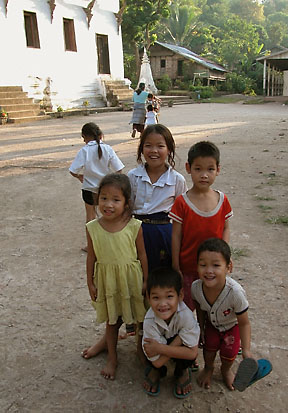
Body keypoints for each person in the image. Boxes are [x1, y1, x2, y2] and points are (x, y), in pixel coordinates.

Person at [81, 173, 148, 380]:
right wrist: (90, 282)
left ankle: (140, 350)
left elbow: (142, 254)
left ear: (126, 203)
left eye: (116, 200)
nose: (108, 204)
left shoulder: (134, 226)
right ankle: (112, 357)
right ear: (97, 199)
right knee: (112, 321)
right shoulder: (92, 228)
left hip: (131, 281)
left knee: (139, 319)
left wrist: (146, 280)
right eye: (104, 198)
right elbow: (91, 257)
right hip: (107, 282)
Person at [169, 141, 233, 311]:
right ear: (188, 168)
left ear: (218, 170)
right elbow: (175, 235)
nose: (204, 175)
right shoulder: (182, 202)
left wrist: (226, 255)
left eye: (210, 169)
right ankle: (191, 338)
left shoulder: (222, 200)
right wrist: (176, 265)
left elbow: (226, 228)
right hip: (189, 268)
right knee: (188, 309)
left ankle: (209, 337)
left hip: (214, 268)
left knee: (213, 307)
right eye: (198, 169)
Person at [192, 238, 253, 390]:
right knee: (208, 350)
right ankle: (208, 368)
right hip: (211, 325)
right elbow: (199, 307)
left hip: (231, 327)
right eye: (203, 265)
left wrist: (246, 349)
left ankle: (226, 371)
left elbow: (244, 323)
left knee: (229, 354)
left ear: (229, 267)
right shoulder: (196, 288)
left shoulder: (235, 293)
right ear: (197, 267)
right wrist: (201, 327)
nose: (209, 270)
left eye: (216, 265)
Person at [127, 124, 187, 273]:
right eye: (148, 145)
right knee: (137, 275)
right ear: (141, 149)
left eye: (160, 146)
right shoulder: (133, 176)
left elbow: (183, 216)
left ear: (169, 149)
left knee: (162, 277)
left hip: (164, 235)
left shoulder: (177, 180)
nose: (154, 151)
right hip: (136, 233)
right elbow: (126, 209)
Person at [142, 267, 200, 398]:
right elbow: (157, 362)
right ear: (148, 297)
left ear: (180, 296)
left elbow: (192, 353)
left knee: (187, 357)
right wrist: (180, 339)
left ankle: (182, 371)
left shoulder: (186, 315)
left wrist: (160, 348)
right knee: (152, 359)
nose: (163, 304)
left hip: (165, 345)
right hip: (170, 344)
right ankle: (157, 372)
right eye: (156, 297)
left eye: (169, 296)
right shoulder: (149, 320)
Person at [69, 122, 124, 251]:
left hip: (88, 188)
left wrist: (80, 177)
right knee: (110, 215)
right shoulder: (108, 148)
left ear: (84, 136)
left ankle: (91, 246)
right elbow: (119, 169)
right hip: (105, 190)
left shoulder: (84, 151)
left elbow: (73, 170)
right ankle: (112, 243)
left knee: (90, 217)